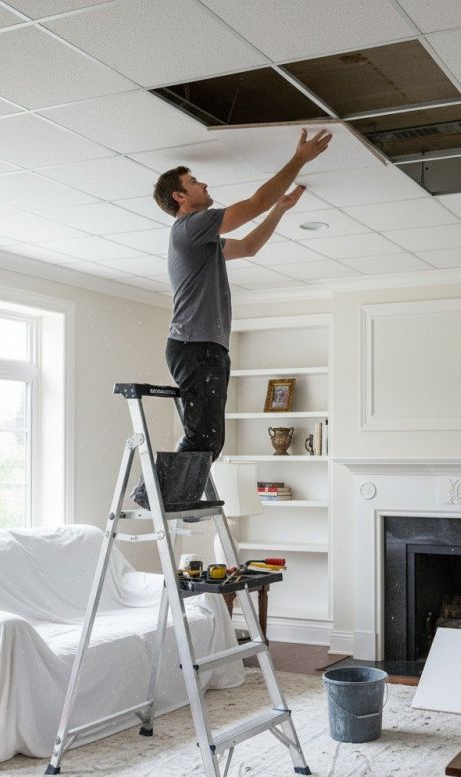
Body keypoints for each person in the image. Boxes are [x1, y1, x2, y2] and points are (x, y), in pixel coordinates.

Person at [130, 128, 332, 509]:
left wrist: (280, 210)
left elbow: (250, 246)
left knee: (210, 439)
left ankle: (165, 496)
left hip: (206, 348)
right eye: (194, 181)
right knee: (204, 437)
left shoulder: (202, 241)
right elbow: (254, 203)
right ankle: (154, 496)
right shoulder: (189, 228)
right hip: (194, 346)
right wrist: (299, 159)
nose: (203, 184)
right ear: (179, 197)